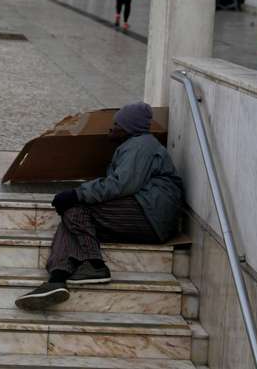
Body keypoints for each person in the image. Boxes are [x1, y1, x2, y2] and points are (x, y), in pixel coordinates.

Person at [15, 102, 183, 310]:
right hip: (146, 216)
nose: (111, 128)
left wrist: (78, 193)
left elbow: (121, 184)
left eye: (117, 124)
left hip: (151, 215)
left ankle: (95, 265)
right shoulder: (135, 145)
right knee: (69, 222)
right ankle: (56, 279)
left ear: (129, 127)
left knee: (76, 209)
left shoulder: (141, 146)